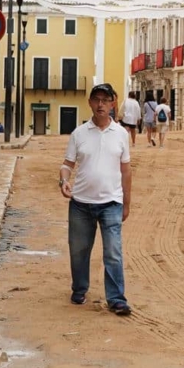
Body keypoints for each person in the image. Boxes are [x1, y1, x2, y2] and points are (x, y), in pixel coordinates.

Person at [59, 83, 132, 316]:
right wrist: (64, 181)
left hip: (111, 202)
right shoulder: (78, 134)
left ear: (112, 104)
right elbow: (67, 165)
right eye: (96, 99)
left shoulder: (121, 134)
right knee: (79, 250)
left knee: (113, 251)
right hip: (81, 203)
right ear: (90, 102)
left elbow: (126, 170)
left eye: (105, 100)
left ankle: (117, 298)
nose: (100, 104)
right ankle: (79, 289)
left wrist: (127, 203)